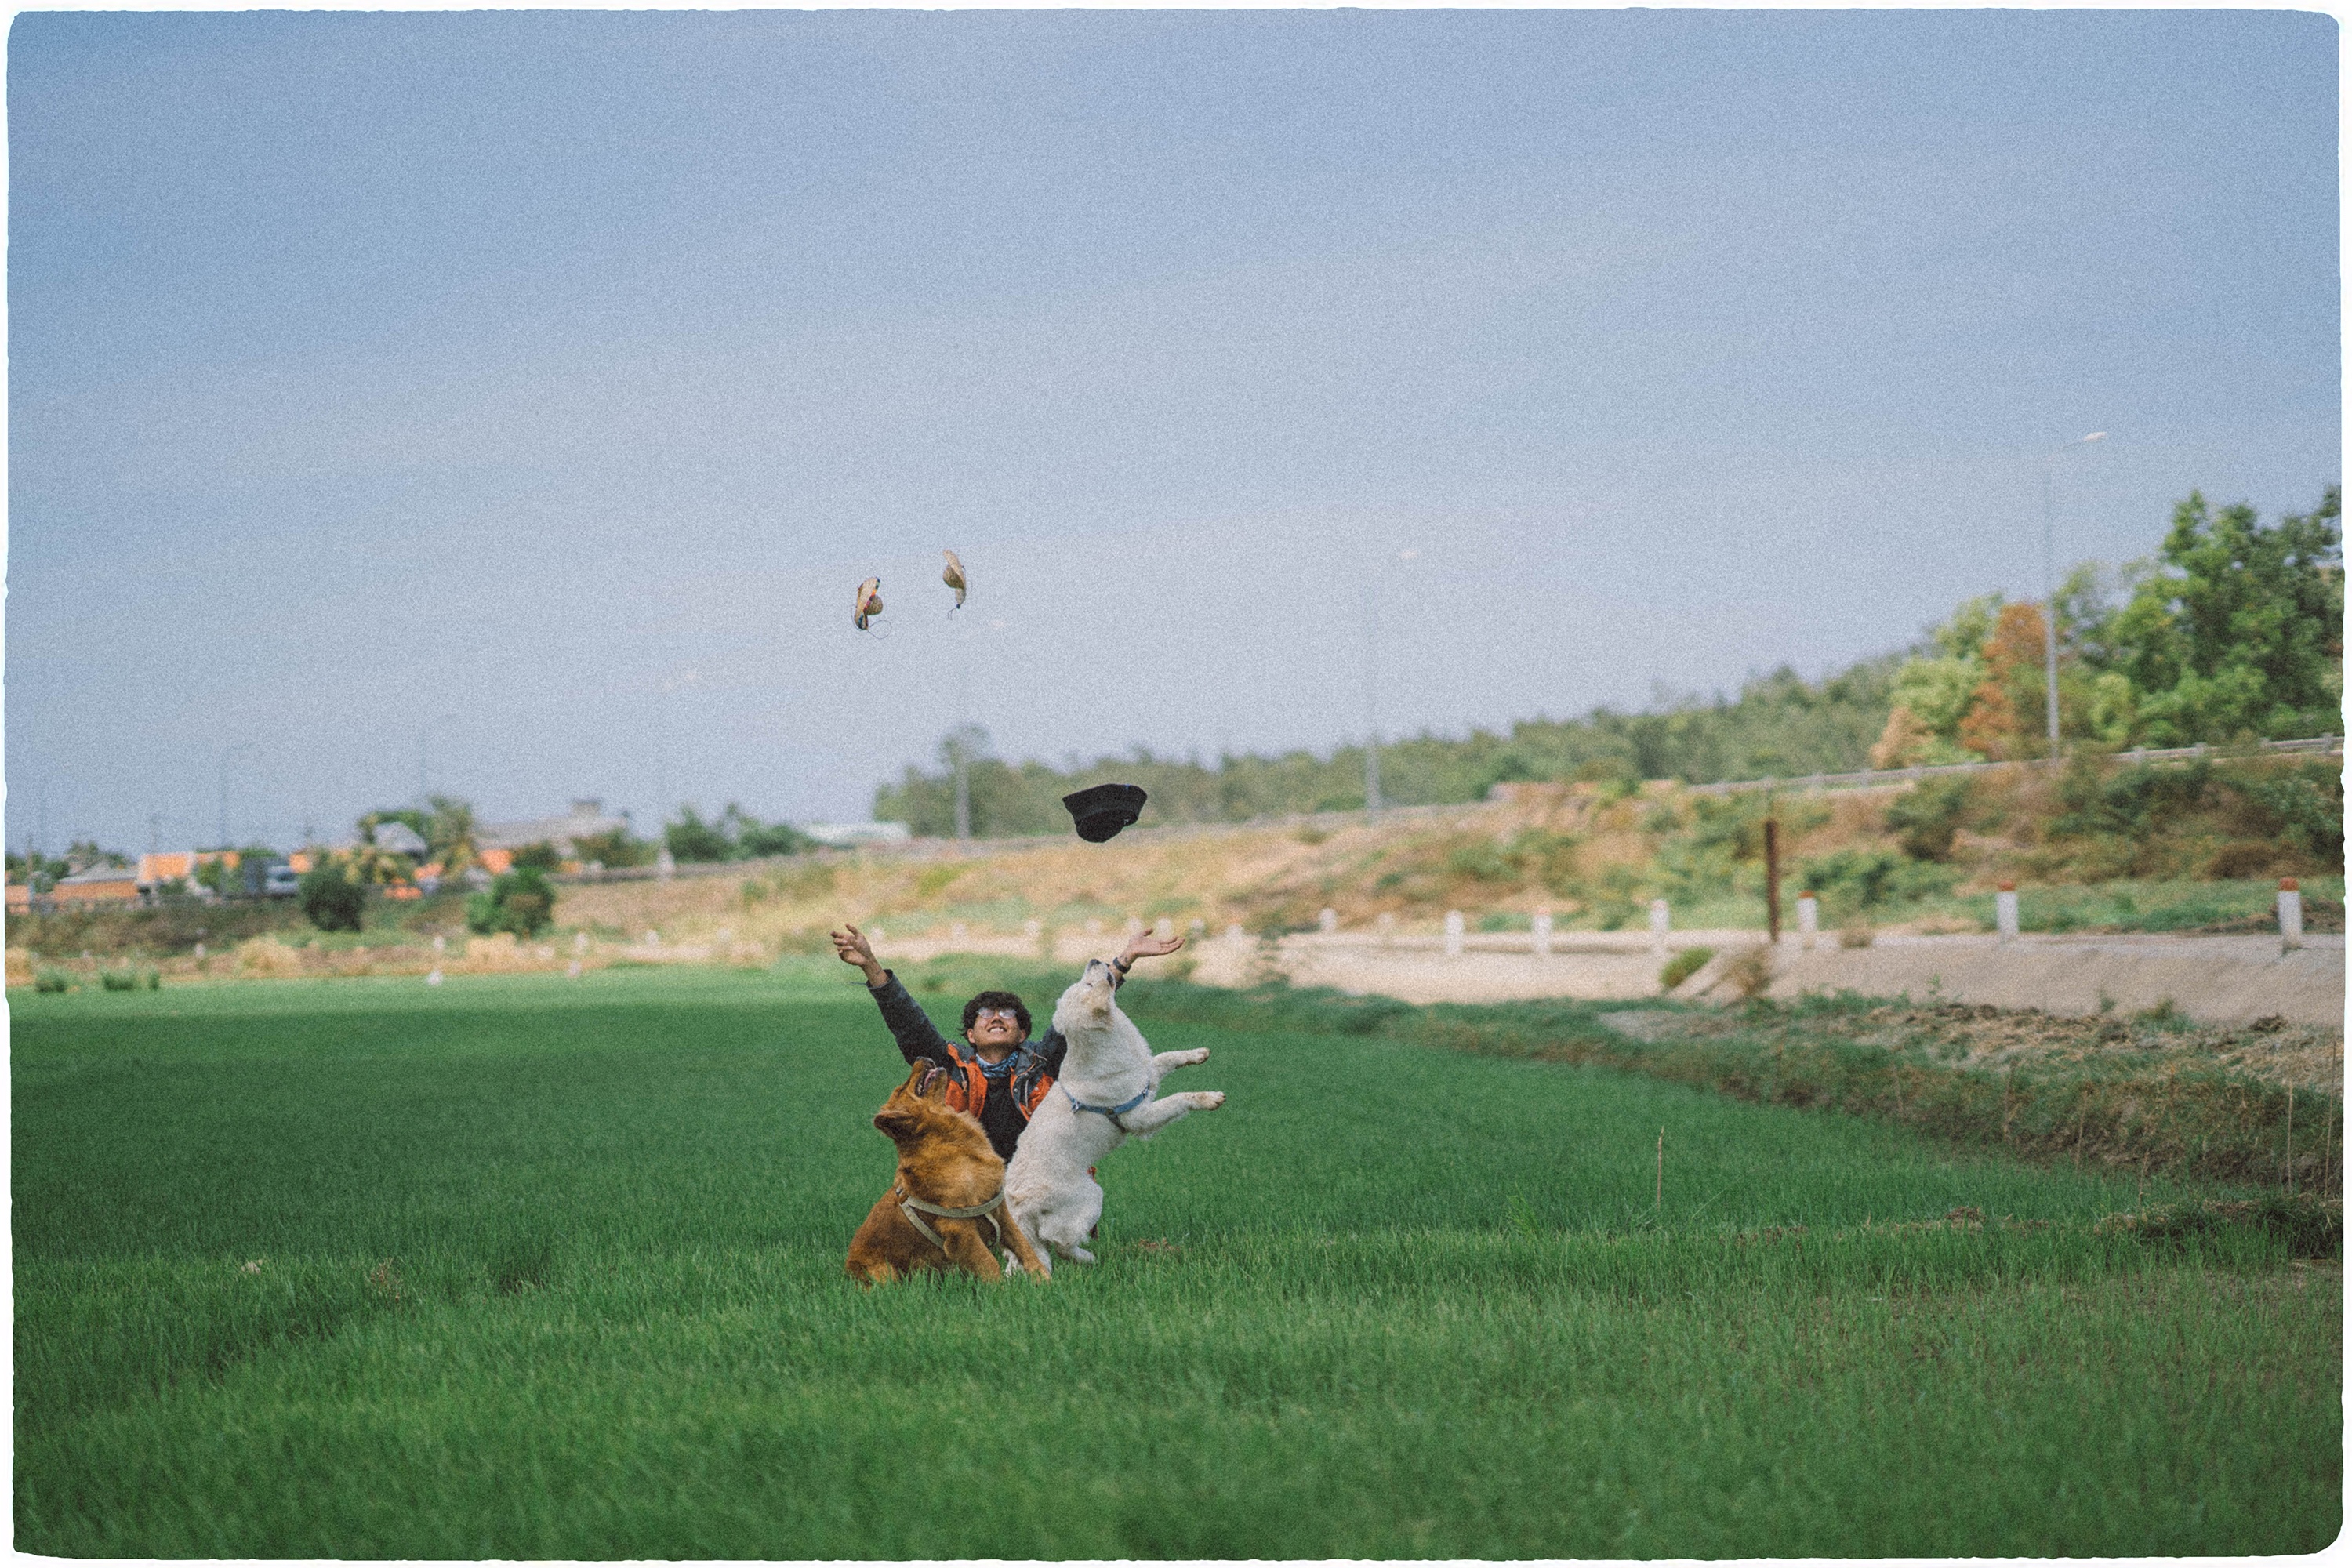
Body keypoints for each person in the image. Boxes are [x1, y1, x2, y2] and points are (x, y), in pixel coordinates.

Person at [829, 922, 1185, 1164]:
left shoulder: (1044, 1061)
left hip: (1037, 1177)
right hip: (966, 1177)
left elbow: (1082, 1010)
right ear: (971, 1035)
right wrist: (870, 965)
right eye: (985, 1014)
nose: (996, 1017)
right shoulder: (948, 1065)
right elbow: (908, 1021)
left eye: (1008, 1013)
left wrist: (1124, 961)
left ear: (1022, 1034)